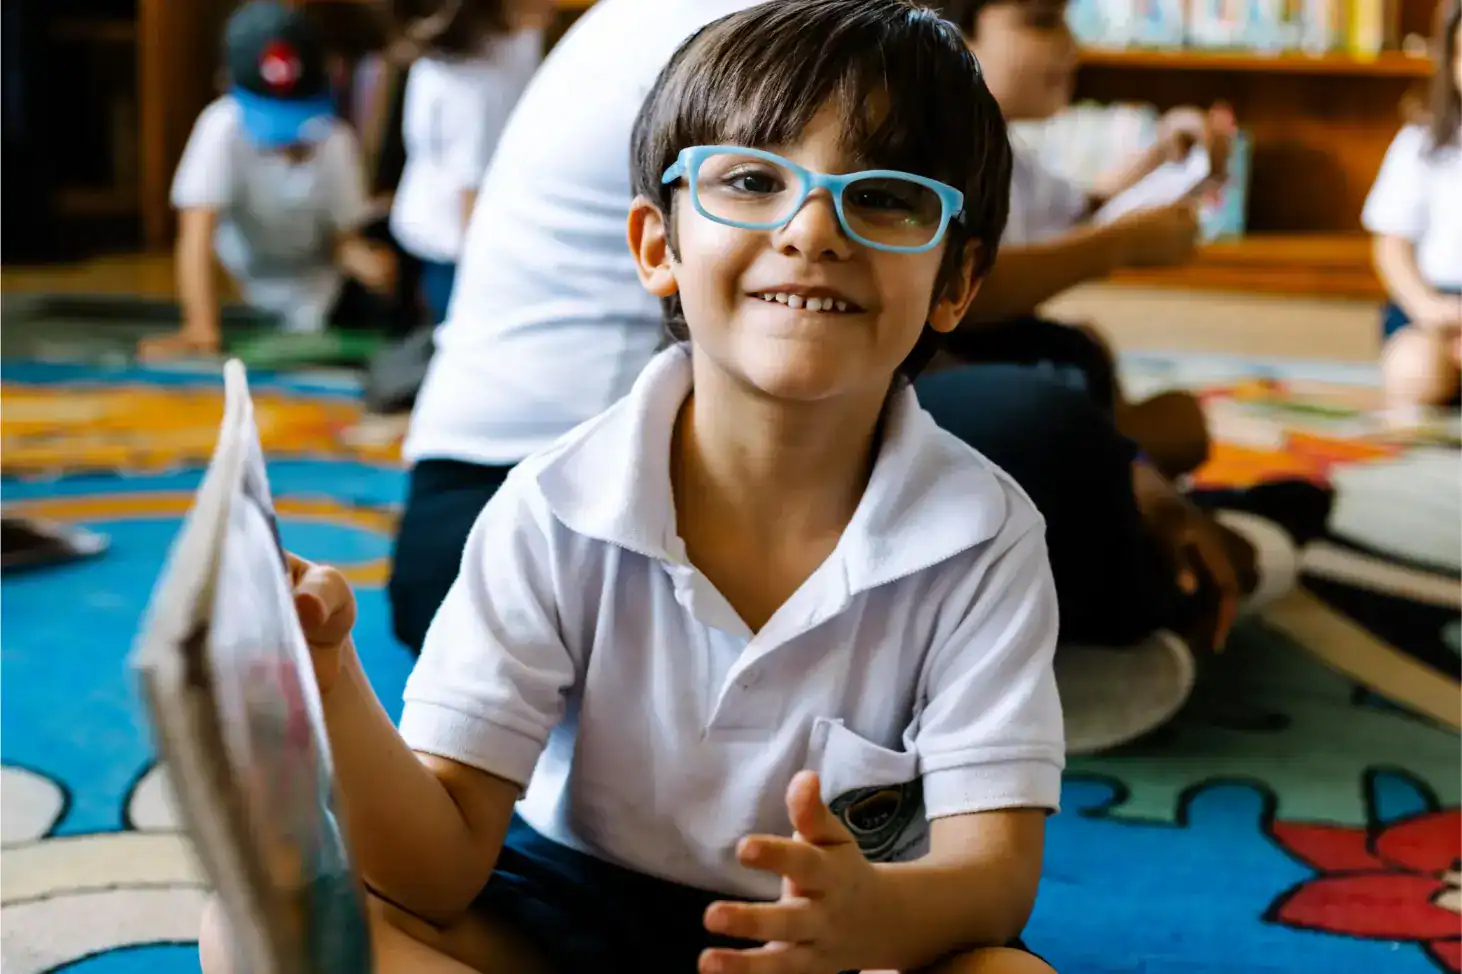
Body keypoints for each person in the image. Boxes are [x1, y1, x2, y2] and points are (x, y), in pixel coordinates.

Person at [202, 2, 1060, 971]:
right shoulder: (550, 506)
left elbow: (994, 880)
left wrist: (868, 916)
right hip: (570, 904)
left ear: (957, 280)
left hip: (829, 937)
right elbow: (435, 868)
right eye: (749, 180)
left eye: (886, 198)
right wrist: (331, 680)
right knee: (254, 925)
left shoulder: (983, 535)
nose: (812, 229)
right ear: (658, 247)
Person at [936, 0, 1235, 479]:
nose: (1072, 47)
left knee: (1090, 351)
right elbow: (963, 291)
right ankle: (1125, 462)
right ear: (950, 30)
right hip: (941, 376)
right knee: (1167, 423)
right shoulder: (939, 144)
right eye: (1042, 22)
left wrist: (1162, 152)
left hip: (1004, 364)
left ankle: (1125, 460)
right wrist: (1118, 246)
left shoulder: (1001, 143)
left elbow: (1083, 209)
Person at [138, 0, 397, 362]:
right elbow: (196, 236)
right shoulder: (220, 129)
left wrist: (368, 264)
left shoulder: (335, 140)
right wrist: (201, 326)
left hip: (321, 294)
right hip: (245, 293)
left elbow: (344, 239)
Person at [387, 0, 549, 326]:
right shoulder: (470, 87)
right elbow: (470, 197)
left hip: (483, 227)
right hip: (456, 249)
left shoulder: (518, 40)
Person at [1361, 0, 1462, 409]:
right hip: (1434, 307)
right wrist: (1428, 307)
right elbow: (1391, 245)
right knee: (1413, 370)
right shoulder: (1421, 142)